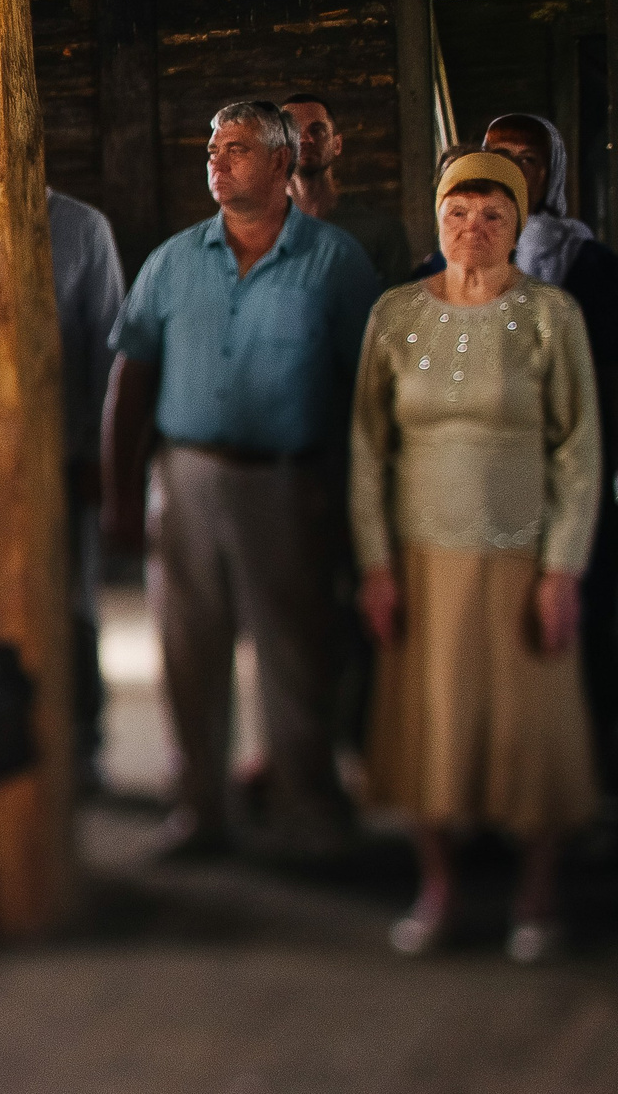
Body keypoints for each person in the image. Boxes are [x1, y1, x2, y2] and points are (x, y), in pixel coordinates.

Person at [104, 104, 382, 856]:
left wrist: (354, 499)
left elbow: (368, 388)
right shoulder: (174, 259)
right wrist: (124, 492)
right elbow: (131, 376)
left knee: (296, 649)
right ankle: (199, 808)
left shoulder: (336, 261)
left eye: (238, 149)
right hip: (187, 475)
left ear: (284, 165)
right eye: (212, 148)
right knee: (189, 649)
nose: (217, 163)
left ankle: (307, 808)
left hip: (287, 483)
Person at [351, 152, 601, 961]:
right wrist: (376, 563)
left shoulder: (550, 314)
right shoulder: (394, 314)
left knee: (534, 728)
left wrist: (562, 566)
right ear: (437, 220)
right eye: (459, 212)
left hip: (522, 555)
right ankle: (441, 888)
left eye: (494, 214)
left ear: (517, 226)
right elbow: (367, 448)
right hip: (421, 555)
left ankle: (536, 893)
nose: (474, 228)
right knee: (430, 727)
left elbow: (578, 448)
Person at [459, 113, 618, 788]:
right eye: (499, 156)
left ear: (552, 171)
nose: (515, 171)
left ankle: (583, 778)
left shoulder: (589, 265)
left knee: (574, 626)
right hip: (483, 485)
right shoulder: (455, 259)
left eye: (529, 158)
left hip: (564, 481)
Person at [49, 189, 127, 788]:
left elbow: (109, 344)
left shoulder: (82, 227)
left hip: (66, 453)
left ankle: (83, 742)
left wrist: (101, 453)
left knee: (74, 600)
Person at [284, 93, 415, 285]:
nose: (305, 139)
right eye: (292, 131)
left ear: (337, 144)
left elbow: (398, 311)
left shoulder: (381, 231)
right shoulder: (255, 234)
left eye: (317, 130)